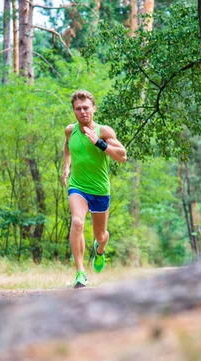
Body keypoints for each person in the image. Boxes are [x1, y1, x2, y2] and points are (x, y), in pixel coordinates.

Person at [62, 90, 127, 289]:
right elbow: (67, 146)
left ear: (93, 109)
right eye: (78, 109)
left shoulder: (103, 131)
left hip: (99, 190)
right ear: (74, 111)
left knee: (101, 235)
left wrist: (98, 143)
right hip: (77, 187)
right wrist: (66, 165)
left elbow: (122, 156)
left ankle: (100, 248)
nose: (82, 112)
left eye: (86, 108)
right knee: (77, 222)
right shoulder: (70, 130)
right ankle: (80, 272)